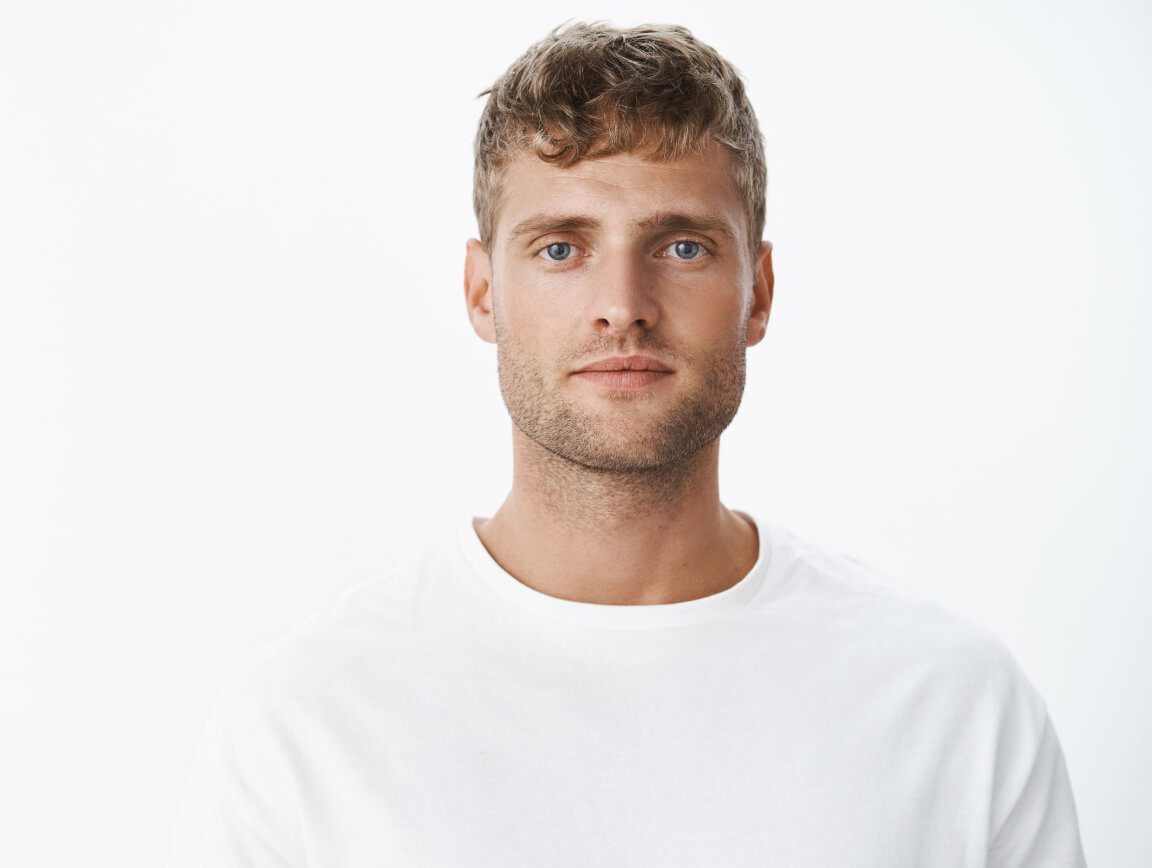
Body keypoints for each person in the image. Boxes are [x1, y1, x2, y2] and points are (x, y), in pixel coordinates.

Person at [164, 21, 1088, 867]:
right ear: (484, 294)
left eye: (682, 246)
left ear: (758, 291)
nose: (623, 304)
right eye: (561, 248)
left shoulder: (953, 710)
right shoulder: (306, 731)